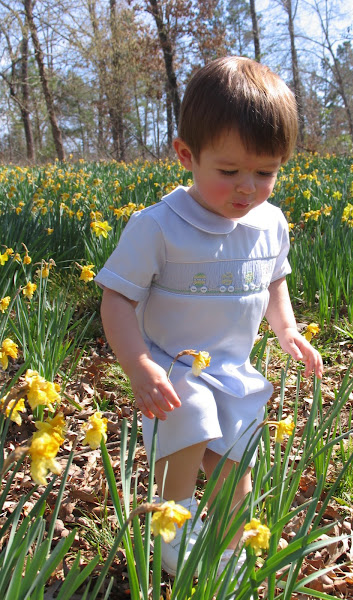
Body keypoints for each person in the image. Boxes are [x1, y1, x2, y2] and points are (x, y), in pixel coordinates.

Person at [96, 56, 323, 578]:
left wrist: (286, 328)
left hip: (231, 367)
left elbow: (273, 281)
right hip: (172, 365)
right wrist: (138, 366)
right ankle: (172, 528)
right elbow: (117, 300)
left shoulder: (269, 224)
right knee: (191, 421)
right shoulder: (157, 227)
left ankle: (228, 542)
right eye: (229, 171)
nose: (248, 187)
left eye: (265, 172)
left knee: (235, 458)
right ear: (186, 155)